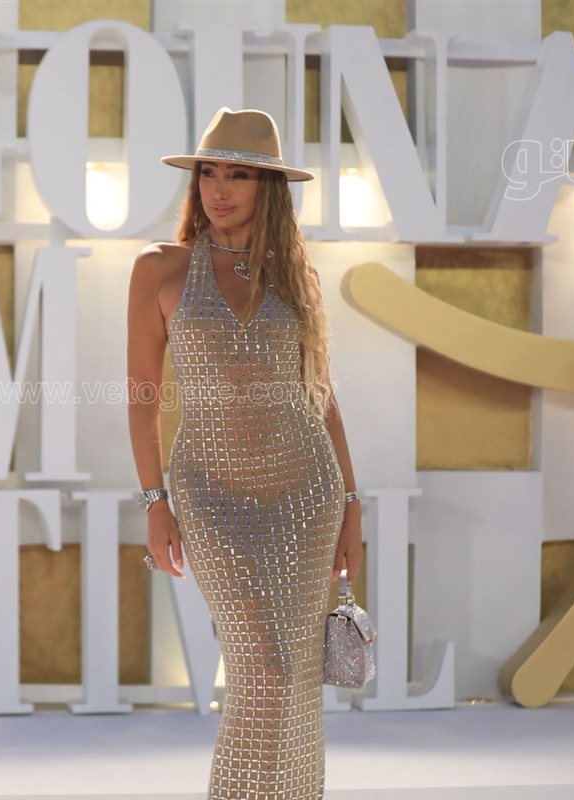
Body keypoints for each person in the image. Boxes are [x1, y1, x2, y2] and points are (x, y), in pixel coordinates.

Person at [125, 106, 364, 799]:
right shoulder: (161, 269)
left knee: (295, 678)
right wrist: (154, 502)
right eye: (209, 173)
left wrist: (352, 506)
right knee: (263, 669)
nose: (219, 189)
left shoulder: (294, 276)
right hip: (212, 496)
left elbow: (321, 396)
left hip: (306, 493)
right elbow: (142, 398)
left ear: (270, 188)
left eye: (239, 174)